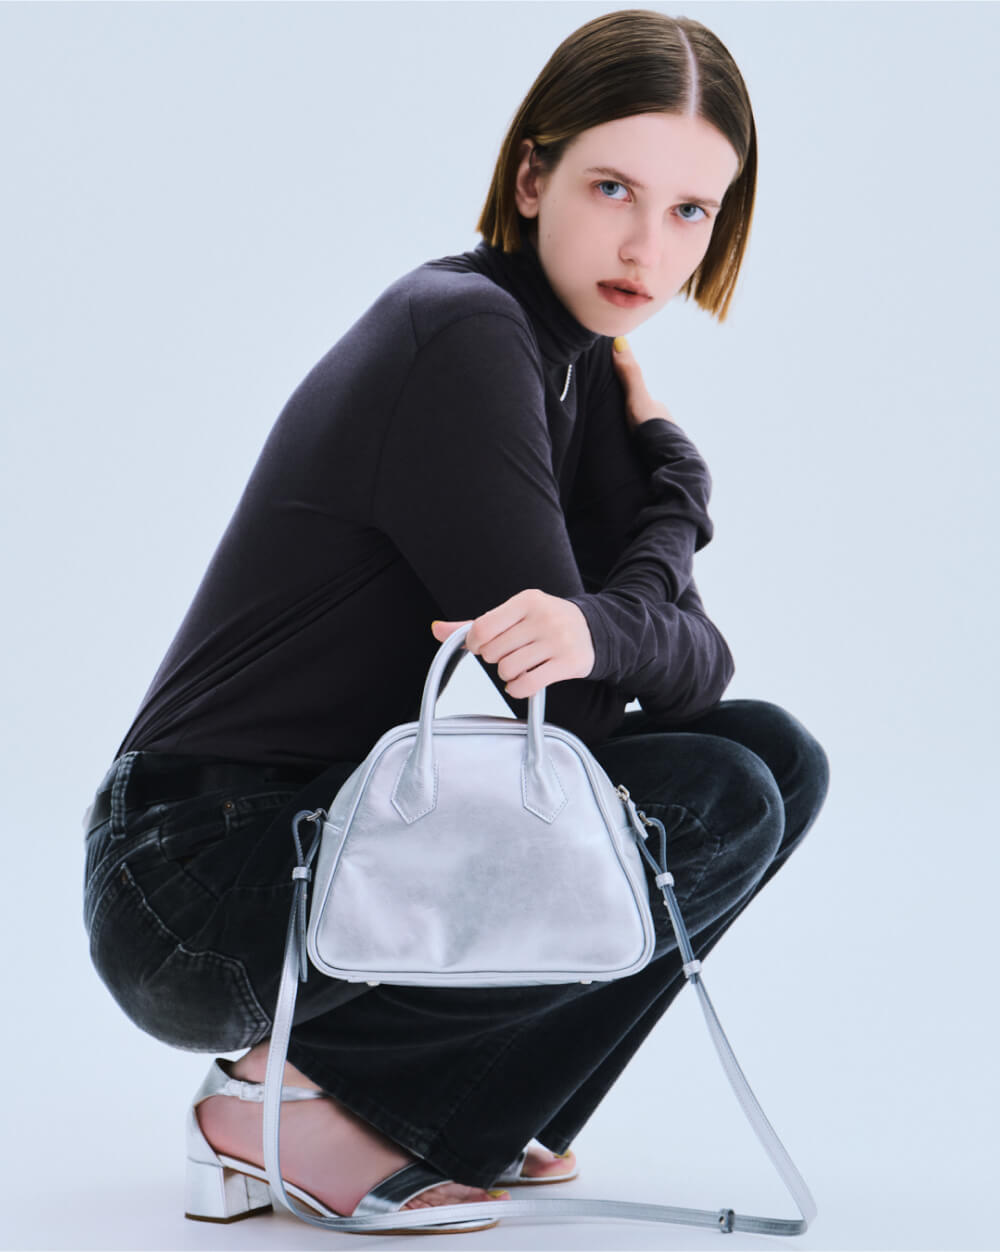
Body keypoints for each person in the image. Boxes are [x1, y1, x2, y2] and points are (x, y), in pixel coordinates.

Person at [82, 7, 829, 1233]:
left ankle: (455, 1114)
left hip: (331, 838)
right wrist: (673, 500)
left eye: (691, 210)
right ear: (532, 179)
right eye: (611, 187)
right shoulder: (465, 332)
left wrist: (654, 517)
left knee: (775, 758)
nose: (647, 245)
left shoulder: (574, 364)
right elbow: (577, 712)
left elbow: (690, 664)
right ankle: (285, 1106)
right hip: (197, 877)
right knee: (716, 798)